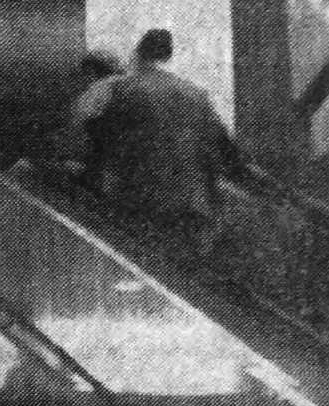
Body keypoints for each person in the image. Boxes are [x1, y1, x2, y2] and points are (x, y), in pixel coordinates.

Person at [87, 29, 245, 259]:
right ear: (169, 57)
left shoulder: (123, 89)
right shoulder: (197, 95)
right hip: (192, 205)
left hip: (139, 201)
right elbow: (228, 152)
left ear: (137, 54)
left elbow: (103, 142)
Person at [72, 50, 126, 186]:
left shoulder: (100, 87)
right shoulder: (124, 82)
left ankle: (91, 178)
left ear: (92, 70)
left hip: (104, 133)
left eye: (86, 73)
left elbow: (84, 113)